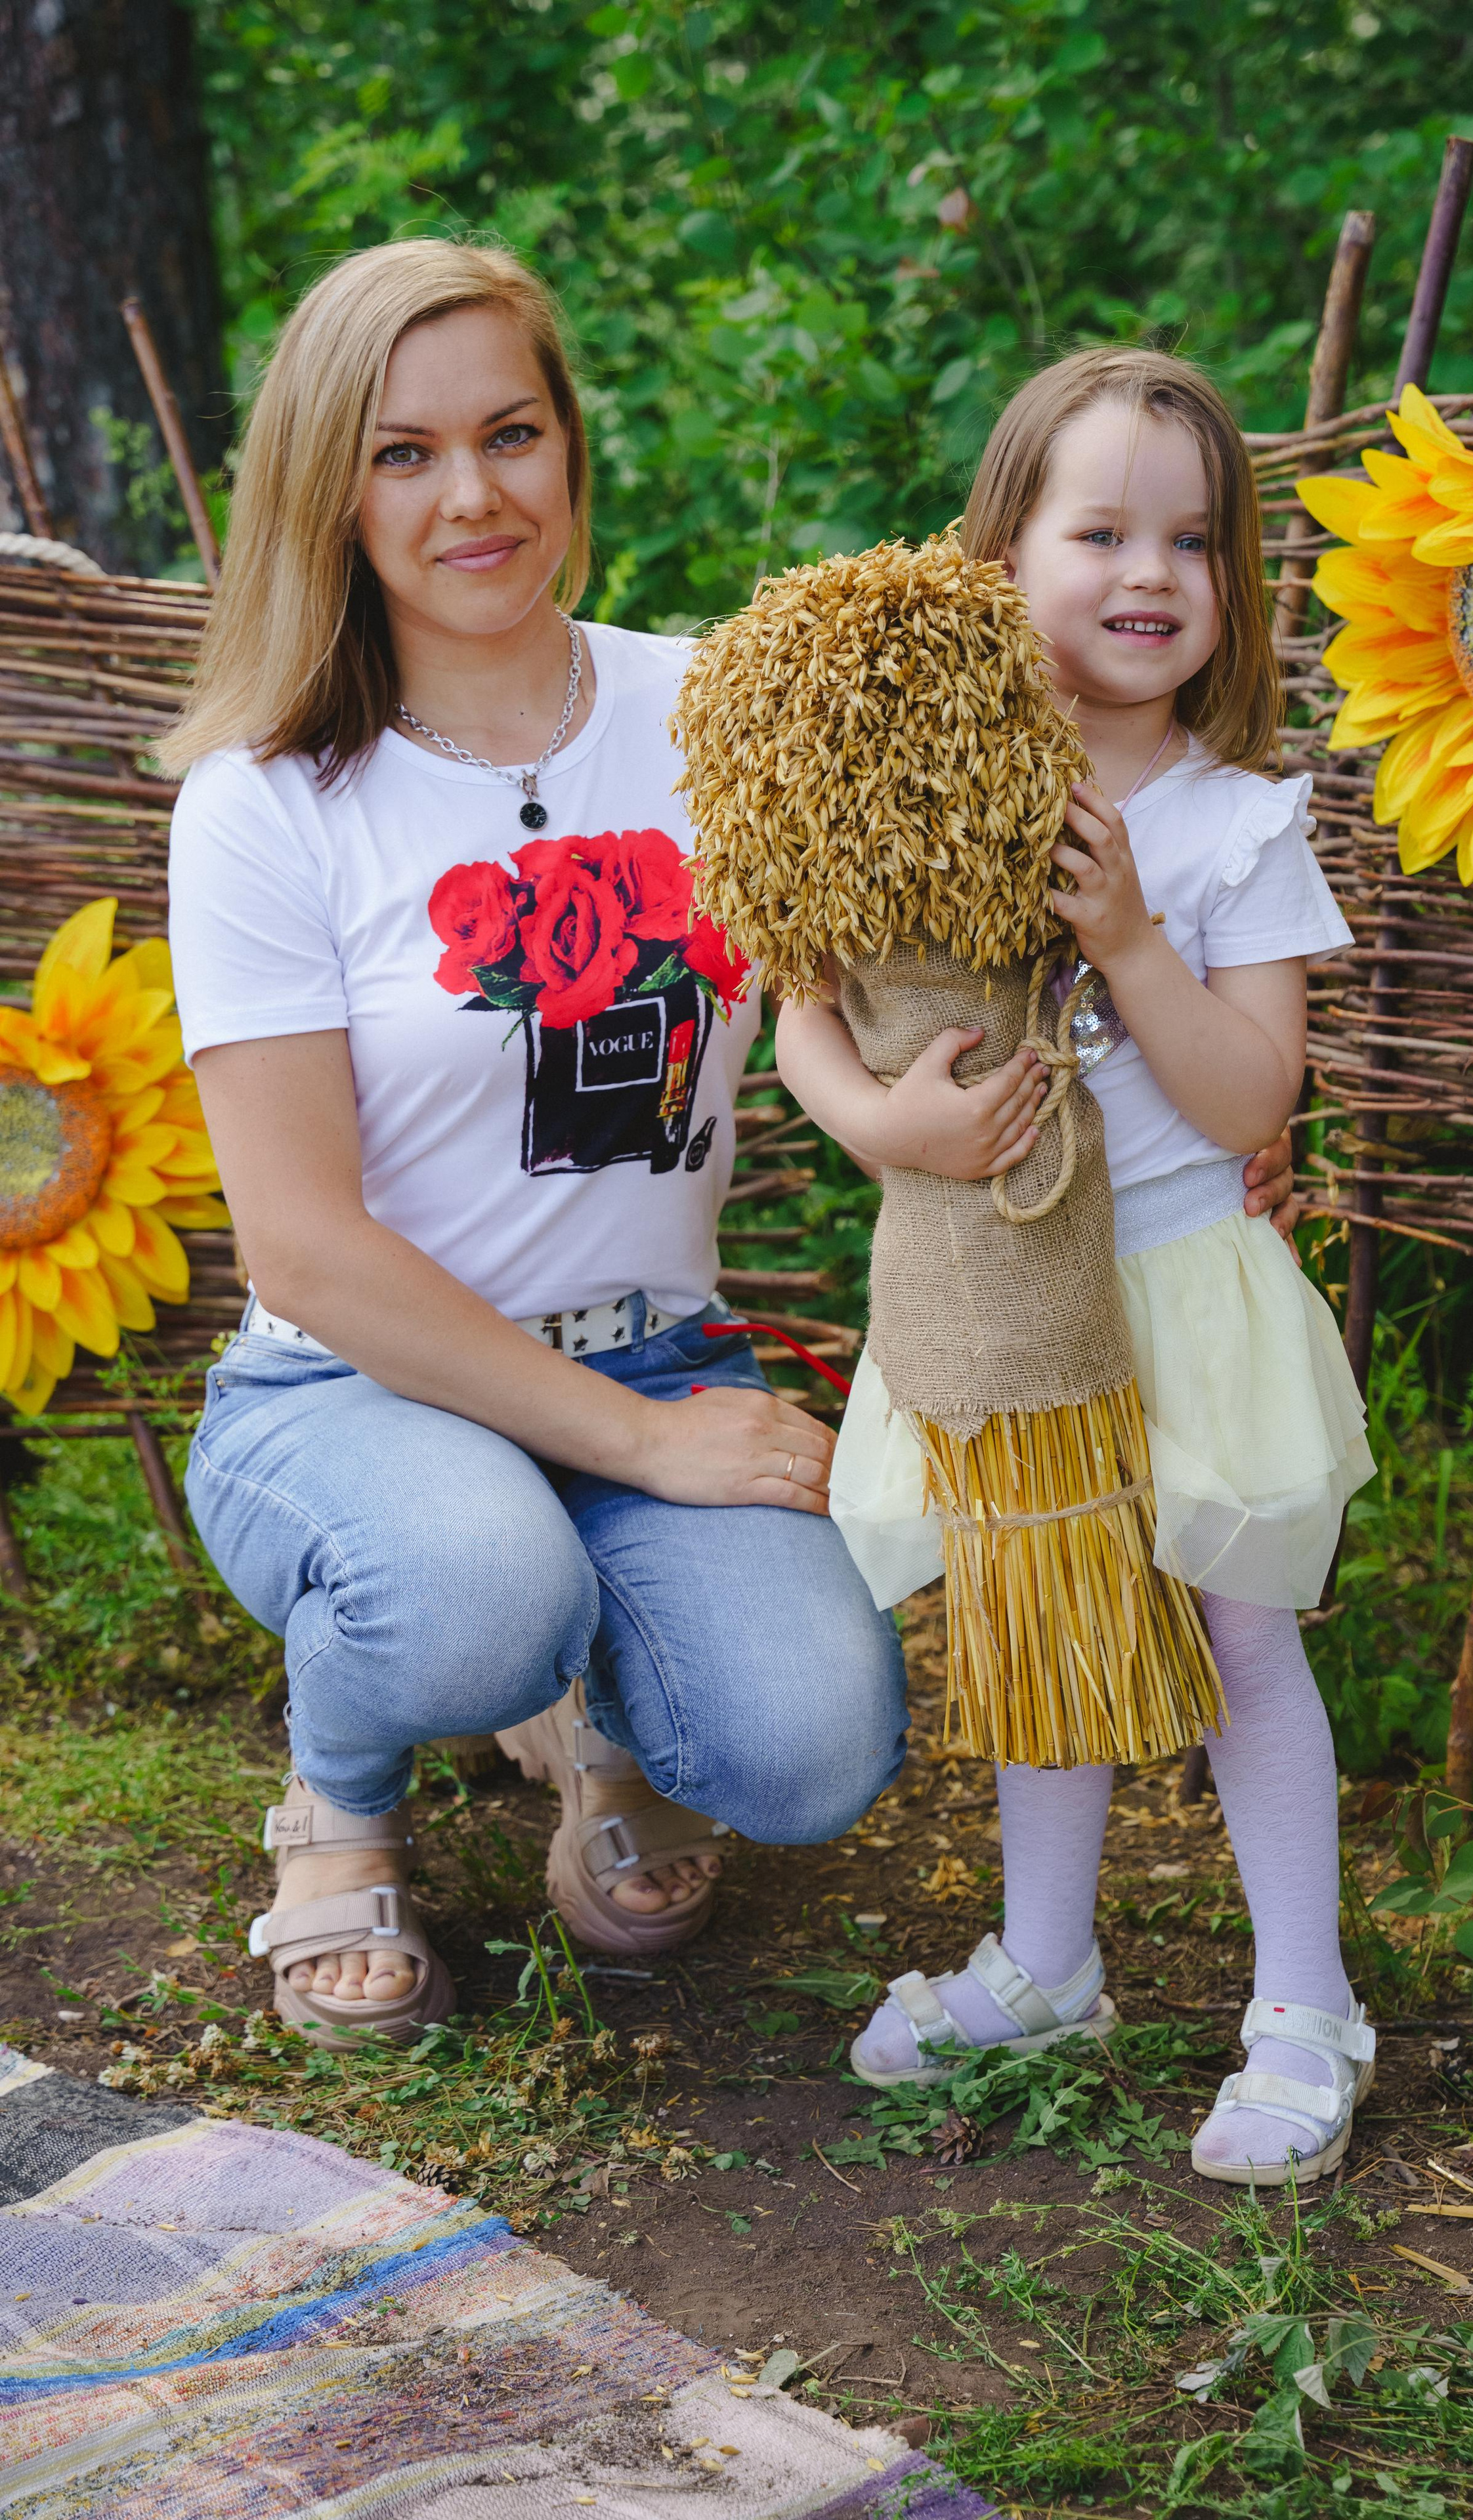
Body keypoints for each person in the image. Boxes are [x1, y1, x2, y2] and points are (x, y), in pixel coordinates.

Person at [158, 239, 921, 2043]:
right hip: (351, 1394)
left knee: (811, 1749)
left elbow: (881, 977)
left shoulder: (713, 711)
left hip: (650, 1343)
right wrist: (649, 1453)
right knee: (478, 1593)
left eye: (510, 433)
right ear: (328, 493)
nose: (473, 494)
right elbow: (304, 1251)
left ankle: (596, 1715)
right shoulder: (265, 802)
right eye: (403, 453)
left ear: (571, 445)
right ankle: (340, 1803)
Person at [775, 347, 1378, 2186]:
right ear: (999, 553)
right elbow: (796, 998)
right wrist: (877, 1127)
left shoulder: (1231, 820)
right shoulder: (920, 787)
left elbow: (1254, 1087)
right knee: (1038, 1618)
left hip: (1178, 1285)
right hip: (997, 1287)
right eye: (1100, 527)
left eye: (1192, 538)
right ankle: (1049, 1963)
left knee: (1235, 1634)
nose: (1150, 572)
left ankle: (1306, 2002)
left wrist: (1125, 935)